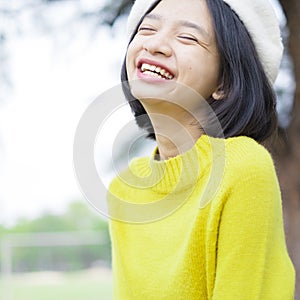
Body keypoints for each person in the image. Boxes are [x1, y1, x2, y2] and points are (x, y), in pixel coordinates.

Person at [107, 0, 296, 299]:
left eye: (188, 37)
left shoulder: (243, 168)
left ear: (224, 82)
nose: (155, 44)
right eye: (147, 29)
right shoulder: (123, 189)